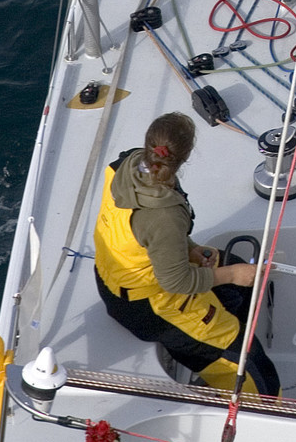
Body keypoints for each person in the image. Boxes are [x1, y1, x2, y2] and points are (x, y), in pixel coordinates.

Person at [93, 111, 280, 395]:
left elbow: (146, 237)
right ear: (186, 154)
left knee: (238, 285)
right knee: (256, 369)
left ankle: (218, 338)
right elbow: (175, 282)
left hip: (113, 277)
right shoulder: (163, 216)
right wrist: (233, 274)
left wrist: (190, 249)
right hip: (145, 306)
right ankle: (256, 398)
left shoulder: (125, 163)